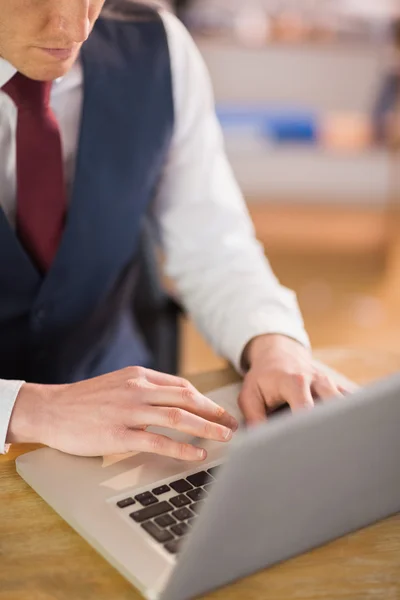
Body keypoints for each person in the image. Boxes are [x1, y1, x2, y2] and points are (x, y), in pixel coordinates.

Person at [0, 0, 346, 462]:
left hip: (128, 425)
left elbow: (213, 242)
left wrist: (271, 341)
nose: (76, 27)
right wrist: (26, 408)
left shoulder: (159, 48)